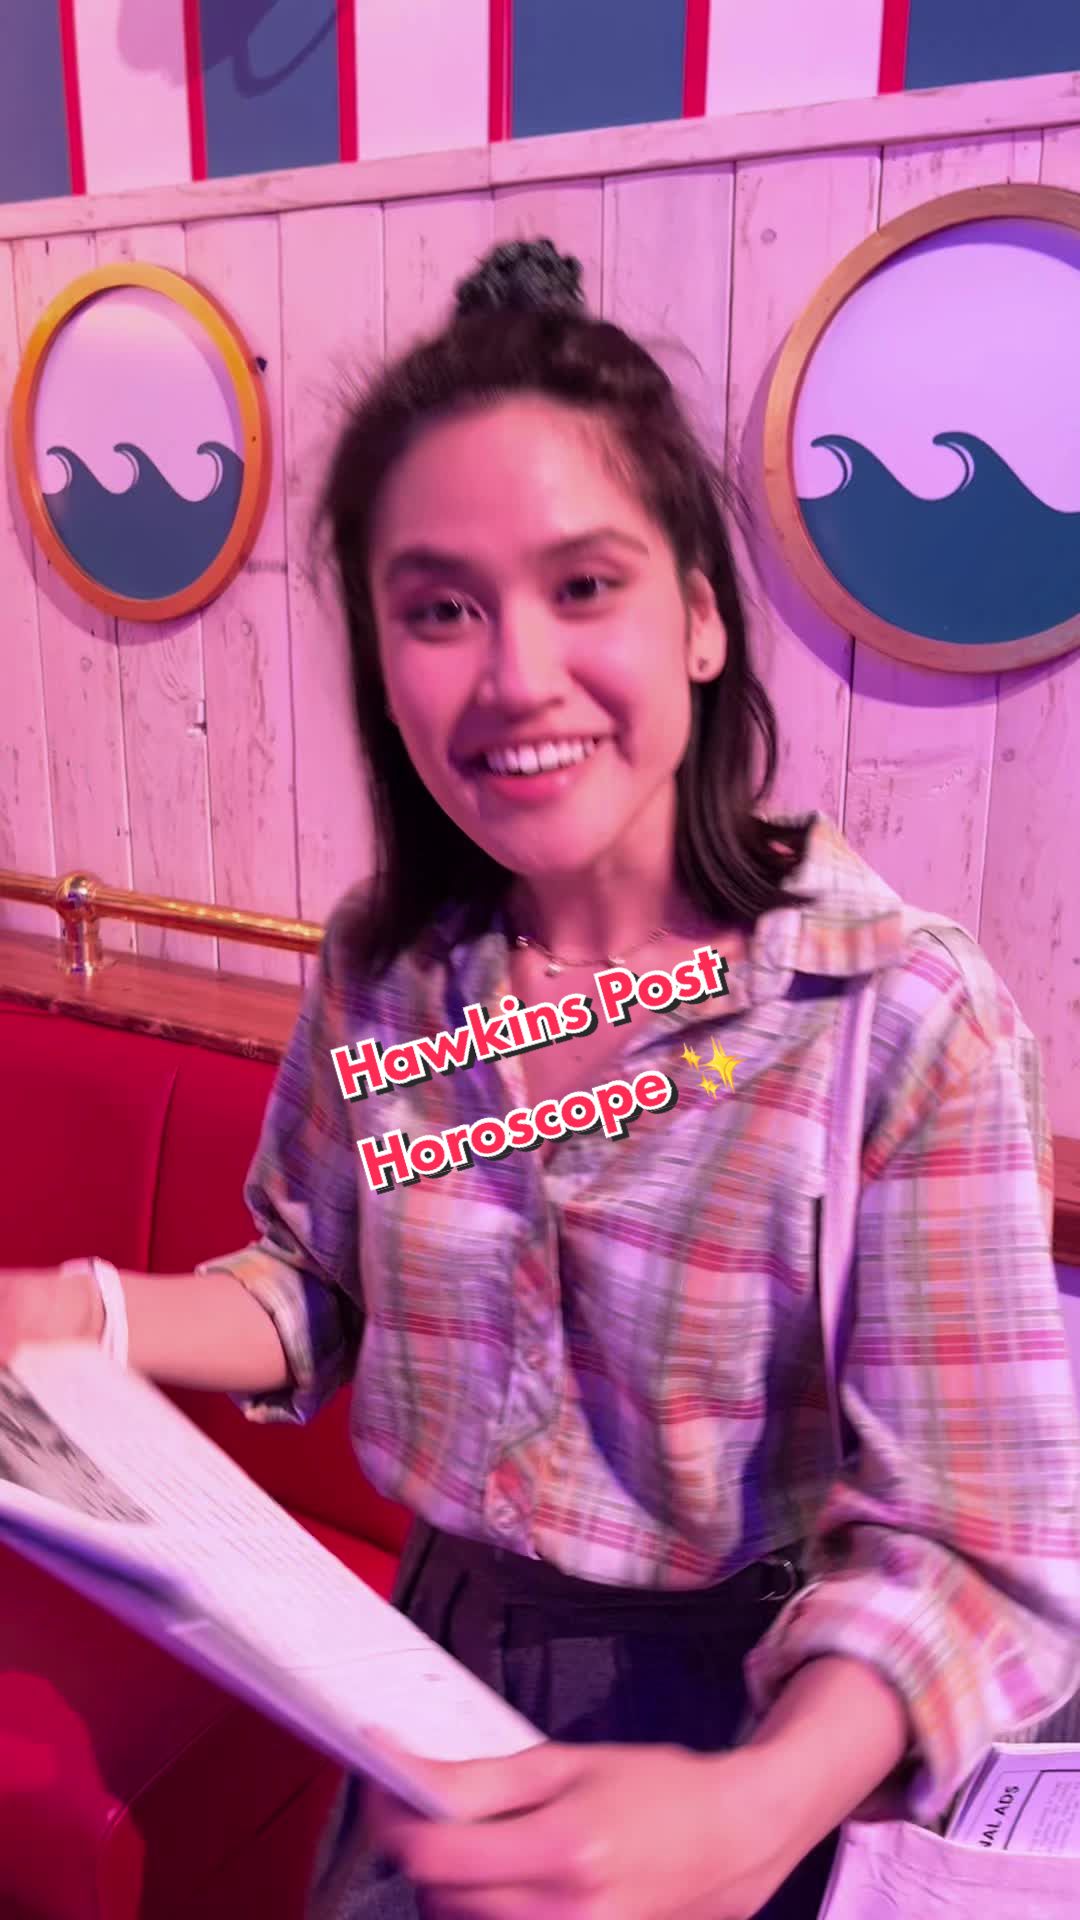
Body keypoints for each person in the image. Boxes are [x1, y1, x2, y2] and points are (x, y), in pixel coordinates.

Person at [3, 237, 1080, 1920]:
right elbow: (317, 1284)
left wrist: (752, 1815)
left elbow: (974, 1543)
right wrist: (78, 1316)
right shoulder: (391, 971)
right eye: (439, 608)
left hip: (731, 1727)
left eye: (585, 586)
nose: (513, 675)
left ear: (701, 618)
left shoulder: (893, 1018)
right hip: (411, 1671)